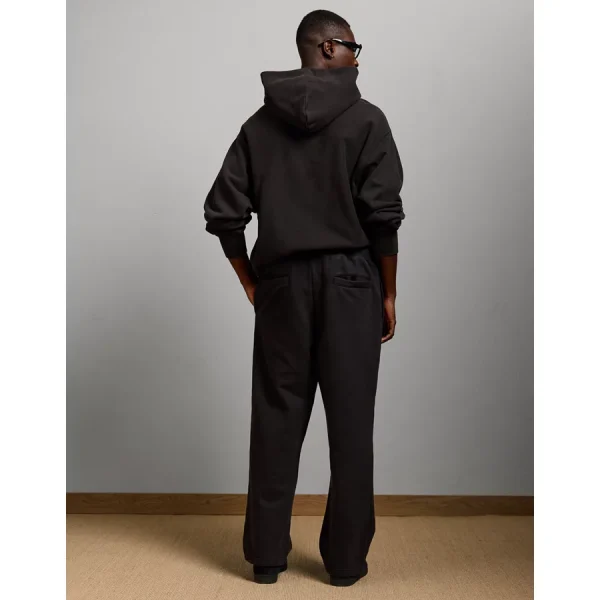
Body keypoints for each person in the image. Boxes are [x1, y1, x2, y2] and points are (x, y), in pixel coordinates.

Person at [203, 8, 405, 587]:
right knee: (351, 426)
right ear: (326, 48)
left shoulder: (259, 126)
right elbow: (383, 217)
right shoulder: (368, 120)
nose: (357, 58)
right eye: (352, 47)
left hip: (283, 288)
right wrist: (388, 293)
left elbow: (223, 215)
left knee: (276, 418)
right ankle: (345, 563)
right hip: (353, 285)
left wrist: (252, 282)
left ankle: (267, 559)